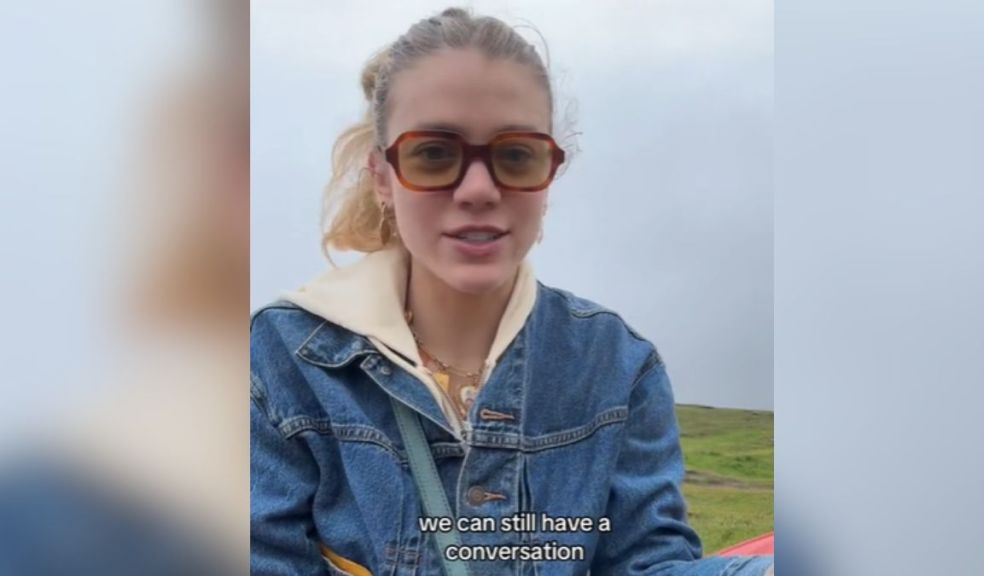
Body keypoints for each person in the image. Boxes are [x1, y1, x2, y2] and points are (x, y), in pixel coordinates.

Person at [250, 7, 774, 576]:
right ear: (382, 177)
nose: (478, 189)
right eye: (433, 153)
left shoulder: (619, 366)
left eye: (515, 155)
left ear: (549, 174)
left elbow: (646, 563)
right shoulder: (281, 361)